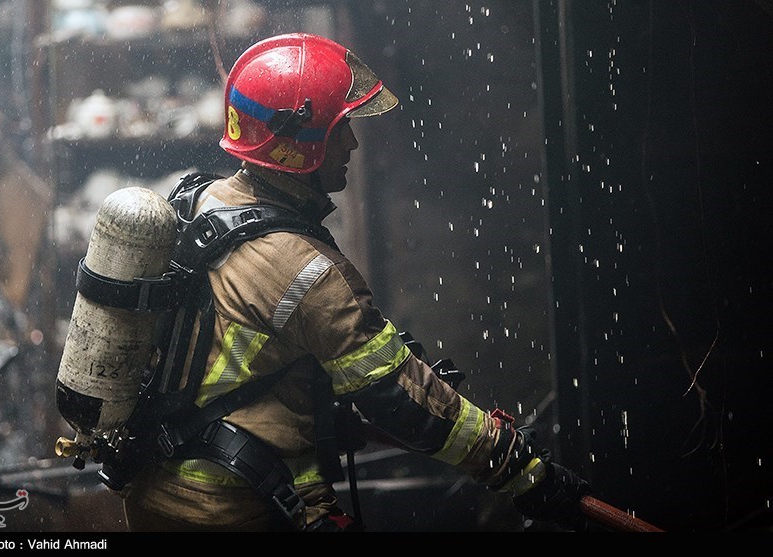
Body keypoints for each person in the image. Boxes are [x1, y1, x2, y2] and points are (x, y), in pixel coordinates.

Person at [119, 32, 590, 532]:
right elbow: (407, 403)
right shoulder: (309, 274)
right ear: (295, 144)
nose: (352, 142)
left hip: (153, 498)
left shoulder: (198, 202)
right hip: (237, 511)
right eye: (337, 127)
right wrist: (525, 471)